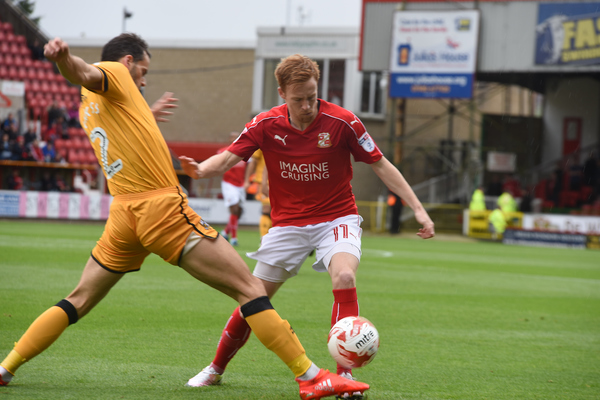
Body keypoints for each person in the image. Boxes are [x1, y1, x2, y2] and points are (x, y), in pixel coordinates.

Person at [0, 36, 368, 400]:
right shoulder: (111, 71)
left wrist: (147, 114)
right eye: (142, 71)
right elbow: (84, 72)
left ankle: (6, 367)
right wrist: (63, 58)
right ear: (127, 62)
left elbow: (113, 113)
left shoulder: (88, 105)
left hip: (123, 215)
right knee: (250, 289)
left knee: (77, 299)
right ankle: (310, 376)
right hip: (160, 210)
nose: (143, 80)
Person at [179, 54, 434, 395]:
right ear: (282, 93)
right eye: (298, 99)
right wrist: (200, 170)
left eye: (312, 97)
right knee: (252, 296)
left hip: (337, 217)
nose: (307, 106)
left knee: (344, 275)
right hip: (288, 225)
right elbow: (227, 157)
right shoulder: (264, 125)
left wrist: (417, 208)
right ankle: (215, 367)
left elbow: (381, 164)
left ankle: (346, 378)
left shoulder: (343, 122)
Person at [218, 131, 247, 246]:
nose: (234, 139)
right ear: (229, 139)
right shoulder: (222, 152)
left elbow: (249, 166)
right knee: (234, 209)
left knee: (239, 212)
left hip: (240, 185)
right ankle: (234, 238)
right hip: (229, 184)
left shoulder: (244, 153)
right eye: (232, 138)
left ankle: (225, 232)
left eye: (236, 137)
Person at [245, 149, 272, 238]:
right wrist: (247, 181)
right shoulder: (263, 143)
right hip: (264, 182)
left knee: (275, 212)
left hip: (280, 181)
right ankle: (264, 239)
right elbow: (254, 162)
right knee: (266, 209)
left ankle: (271, 237)